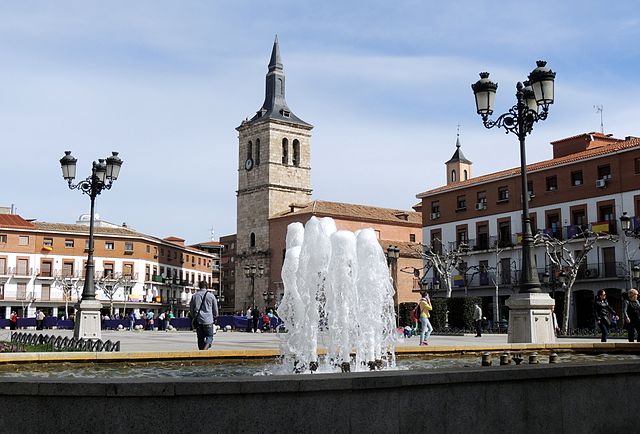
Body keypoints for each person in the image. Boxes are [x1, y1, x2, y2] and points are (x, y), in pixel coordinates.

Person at [189, 281, 219, 350]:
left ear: (199, 286)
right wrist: (215, 316)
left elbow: (191, 309)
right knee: (209, 336)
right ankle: (205, 349)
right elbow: (215, 309)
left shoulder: (194, 296)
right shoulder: (211, 296)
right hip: (208, 320)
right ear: (207, 286)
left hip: (198, 320)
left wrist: (193, 317)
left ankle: (201, 352)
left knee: (200, 338)